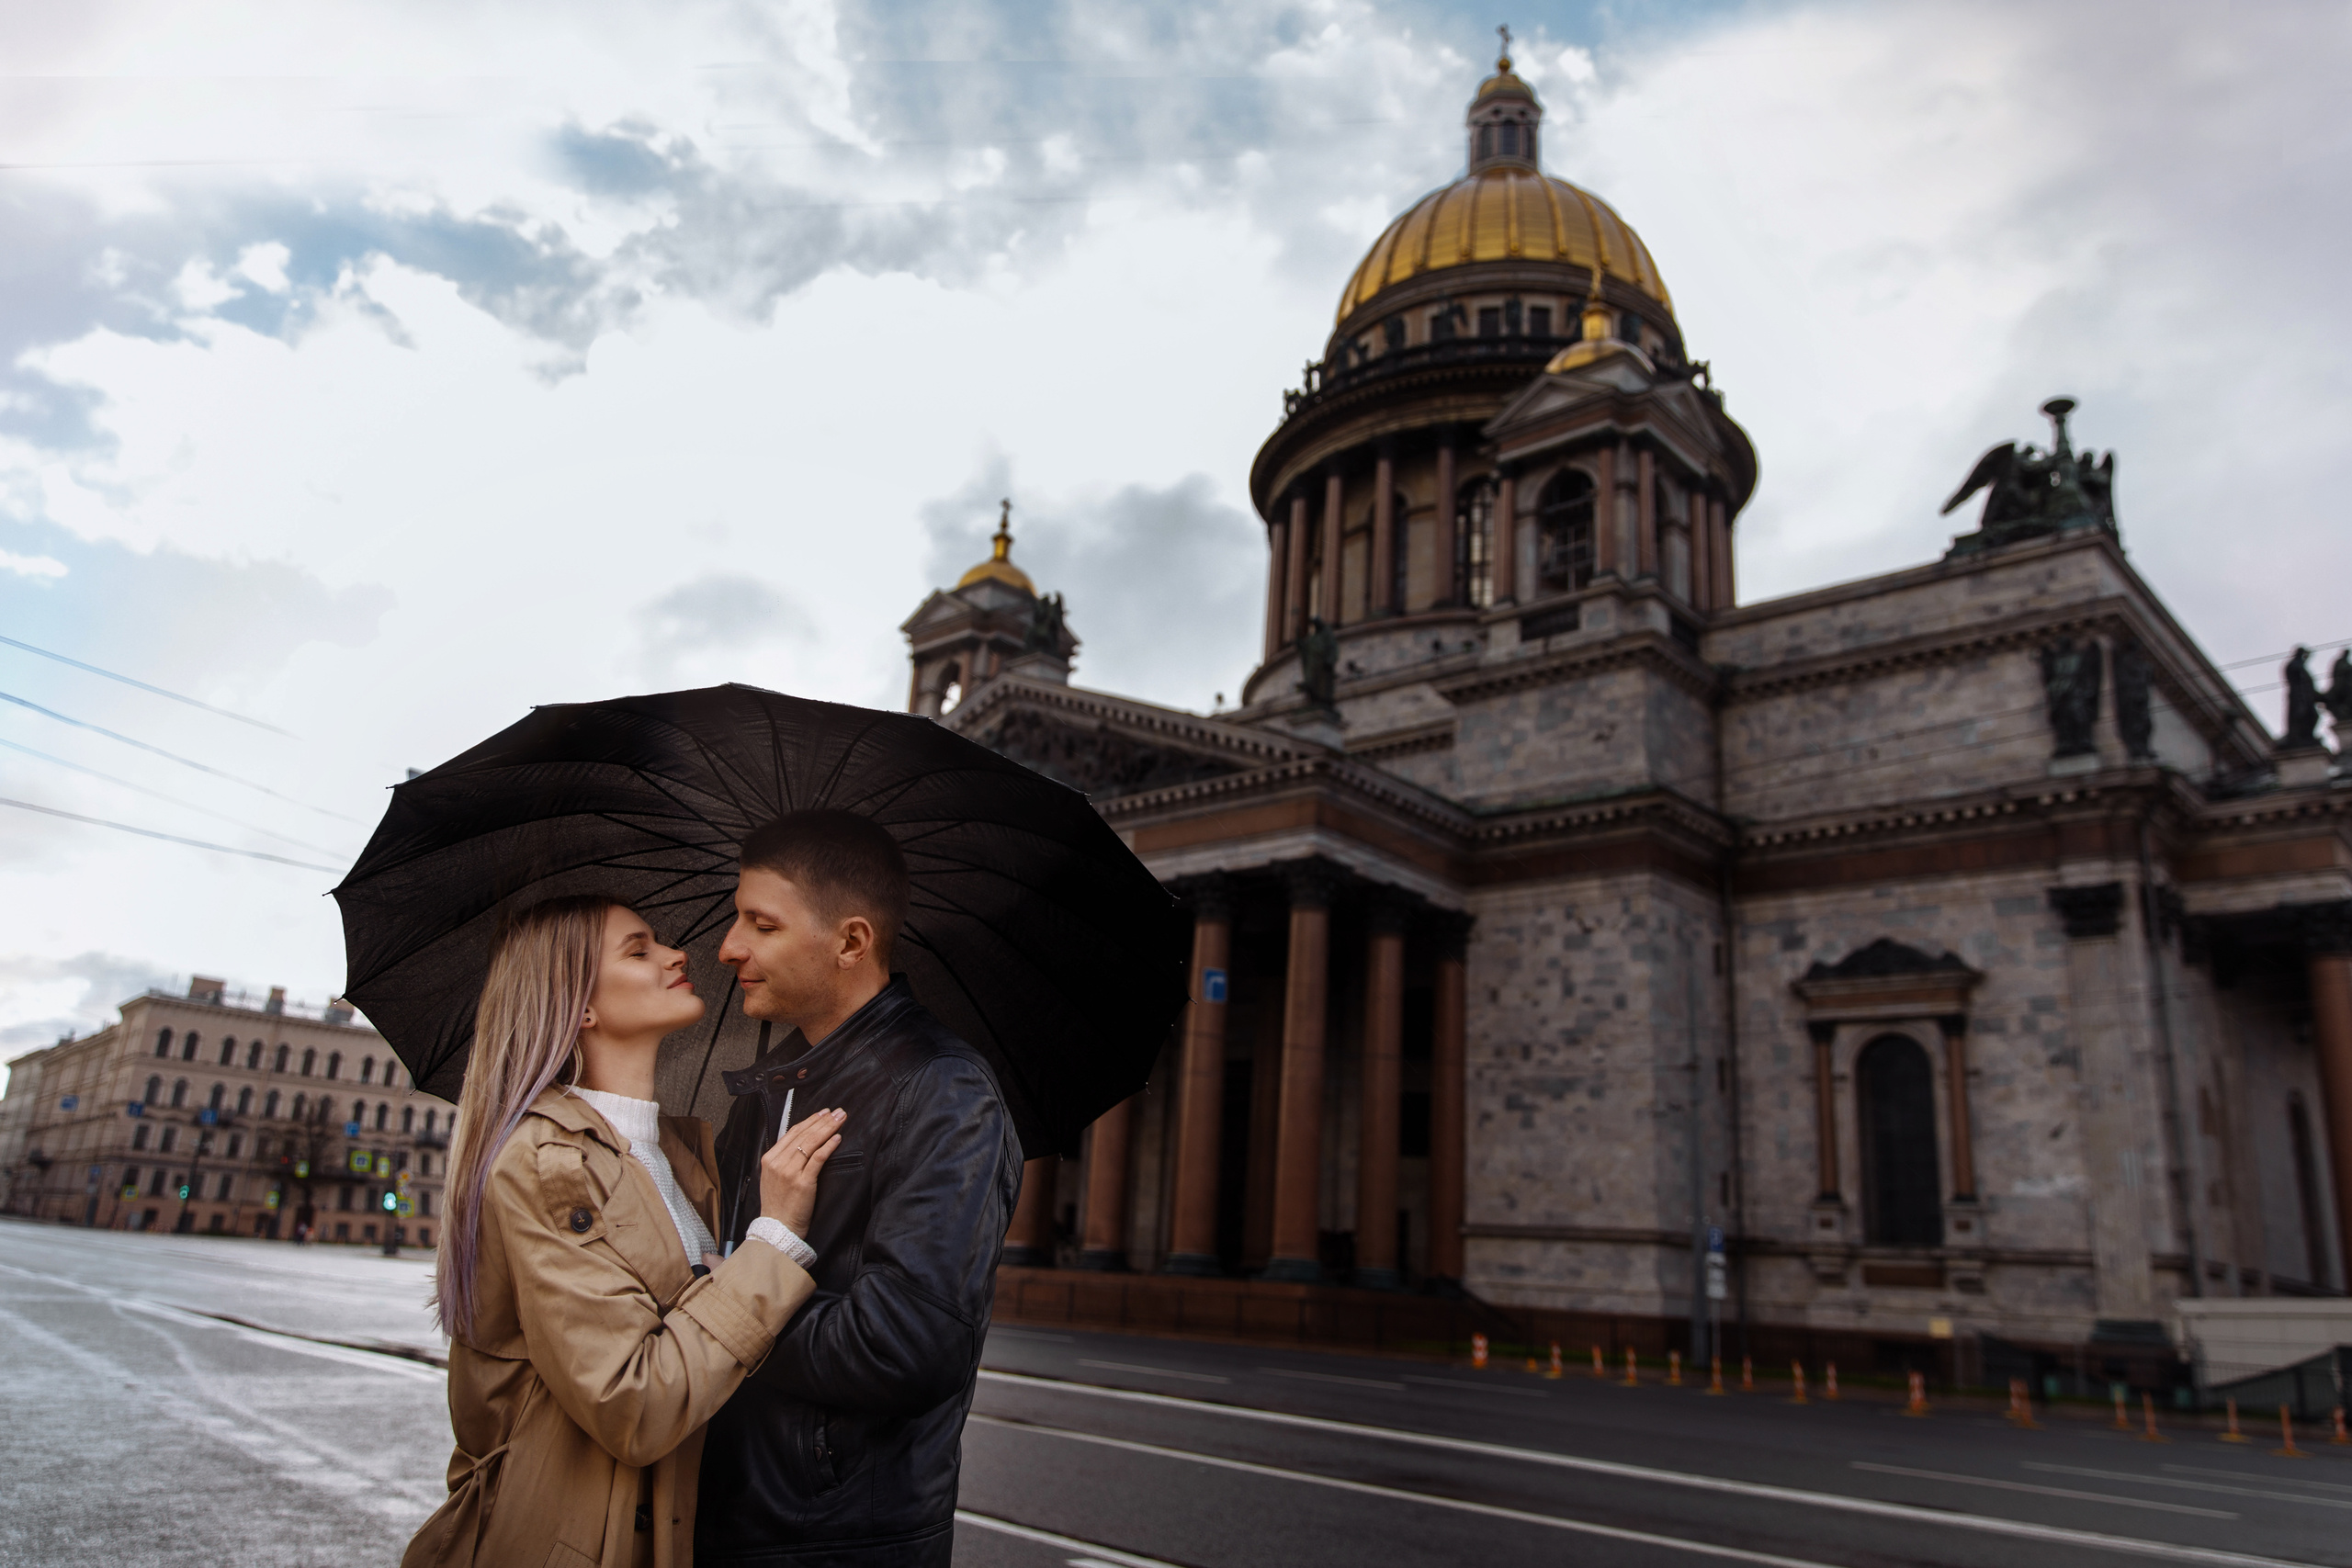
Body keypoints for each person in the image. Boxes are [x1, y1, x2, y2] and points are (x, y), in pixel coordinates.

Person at [404, 894, 848, 1568]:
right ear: (580, 1006)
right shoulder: (547, 1163)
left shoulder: (679, 1155)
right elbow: (634, 1402)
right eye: (639, 950)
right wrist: (774, 1241)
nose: (677, 955)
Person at [696, 810, 1023, 1568]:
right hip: (728, 1516)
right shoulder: (765, 1088)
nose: (729, 947)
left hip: (838, 1540)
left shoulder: (943, 1089)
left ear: (850, 941)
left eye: (761, 924)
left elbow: (905, 1345)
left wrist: (728, 1304)